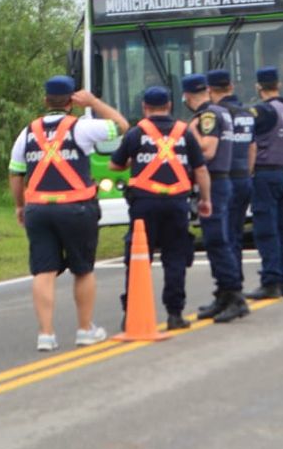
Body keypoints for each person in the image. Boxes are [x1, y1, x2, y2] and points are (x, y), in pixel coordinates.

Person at [9, 75, 129, 351]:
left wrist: (20, 205)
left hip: (38, 209)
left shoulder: (28, 131)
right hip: (76, 208)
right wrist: (94, 102)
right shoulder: (82, 127)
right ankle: (85, 329)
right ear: (72, 103)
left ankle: (46, 334)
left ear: (45, 100)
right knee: (83, 269)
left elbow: (16, 172)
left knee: (44, 270)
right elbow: (122, 126)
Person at [109, 85, 212, 330]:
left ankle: (132, 312)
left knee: (138, 259)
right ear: (169, 106)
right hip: (176, 203)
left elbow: (115, 165)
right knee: (175, 257)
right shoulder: (184, 133)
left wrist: (137, 162)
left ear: (145, 107)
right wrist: (205, 200)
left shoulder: (136, 134)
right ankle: (175, 314)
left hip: (143, 204)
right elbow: (200, 169)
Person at [181, 73, 250, 324]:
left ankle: (234, 296)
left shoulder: (208, 116)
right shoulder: (220, 113)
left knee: (218, 240)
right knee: (216, 240)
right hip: (222, 180)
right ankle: (223, 293)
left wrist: (190, 133)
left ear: (187, 96)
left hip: (217, 181)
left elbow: (208, 150)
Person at [243, 66, 283, 300]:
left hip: (264, 174)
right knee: (281, 228)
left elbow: (249, 141)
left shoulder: (263, 111)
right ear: (279, 84)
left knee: (266, 229)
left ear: (259, 87)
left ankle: (270, 281)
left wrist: (247, 172)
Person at [206, 69, 255, 292]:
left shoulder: (216, 114)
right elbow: (253, 147)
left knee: (223, 236)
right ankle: (237, 279)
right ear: (231, 87)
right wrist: (248, 171)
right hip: (244, 176)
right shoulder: (246, 113)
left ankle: (231, 285)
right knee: (236, 233)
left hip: (225, 178)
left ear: (209, 90)